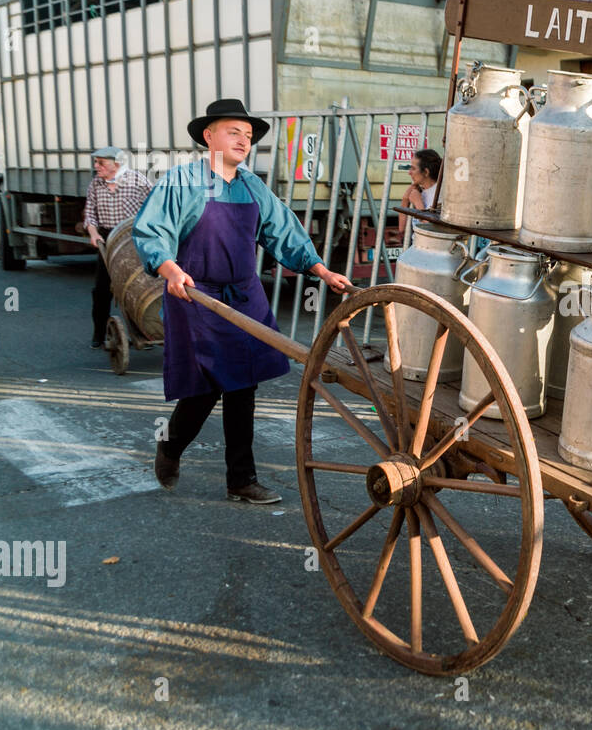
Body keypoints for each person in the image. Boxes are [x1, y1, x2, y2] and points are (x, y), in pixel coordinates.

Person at [134, 98, 350, 505]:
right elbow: (151, 232)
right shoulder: (182, 181)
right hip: (196, 295)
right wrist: (170, 269)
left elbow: (283, 230)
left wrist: (320, 270)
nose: (244, 140)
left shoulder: (252, 185)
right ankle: (172, 446)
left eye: (248, 135)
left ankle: (241, 480)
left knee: (243, 386)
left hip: (244, 295)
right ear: (208, 135)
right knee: (204, 389)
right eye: (234, 131)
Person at [84, 146, 153, 348]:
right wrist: (94, 233)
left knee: (137, 286)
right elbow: (90, 213)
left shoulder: (137, 180)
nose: (96, 167)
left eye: (101, 163)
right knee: (101, 289)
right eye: (96, 162)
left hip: (133, 237)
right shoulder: (96, 184)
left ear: (117, 164)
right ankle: (99, 333)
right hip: (107, 239)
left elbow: (154, 206)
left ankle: (142, 332)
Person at [398, 148, 442, 237]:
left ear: (426, 172)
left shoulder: (439, 195)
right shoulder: (420, 192)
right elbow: (401, 229)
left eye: (413, 168)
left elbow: (435, 231)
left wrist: (418, 203)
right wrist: (405, 199)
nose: (409, 173)